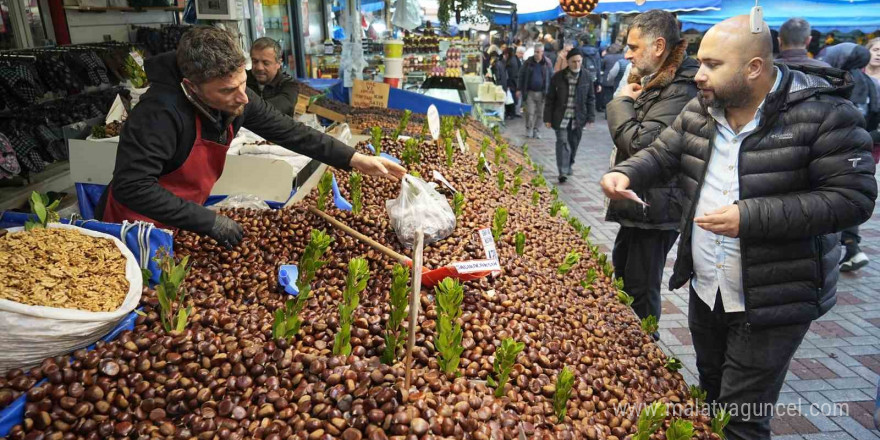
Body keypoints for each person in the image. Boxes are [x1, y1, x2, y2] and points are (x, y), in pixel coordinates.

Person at [601, 15, 876, 439]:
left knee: (741, 417)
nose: (699, 75)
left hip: (774, 296)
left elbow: (852, 200)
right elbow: (662, 153)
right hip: (708, 287)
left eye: (712, 64)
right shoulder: (703, 107)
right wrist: (628, 175)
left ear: (754, 67)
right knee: (712, 393)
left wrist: (750, 216)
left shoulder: (825, 113)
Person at [97, 27, 405, 247]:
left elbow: (289, 131)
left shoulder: (238, 97)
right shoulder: (158, 114)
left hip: (182, 218)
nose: (243, 98)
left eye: (243, 83)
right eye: (228, 91)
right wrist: (208, 221)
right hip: (139, 225)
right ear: (192, 88)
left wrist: (353, 158)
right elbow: (133, 186)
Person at [605, 10, 698, 327]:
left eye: (633, 47)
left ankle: (646, 354)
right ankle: (629, 345)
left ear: (658, 46)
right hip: (642, 203)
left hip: (657, 207)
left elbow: (640, 145)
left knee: (640, 290)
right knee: (624, 274)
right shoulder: (652, 82)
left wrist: (621, 103)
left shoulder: (682, 88)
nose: (627, 54)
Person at [820, 42, 879, 272]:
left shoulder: (833, 83)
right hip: (860, 153)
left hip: (833, 153)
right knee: (849, 198)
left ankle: (834, 251)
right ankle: (852, 248)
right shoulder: (868, 84)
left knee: (830, 200)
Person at [544, 50, 595, 183]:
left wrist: (591, 117)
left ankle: (569, 164)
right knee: (562, 142)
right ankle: (562, 171)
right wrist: (547, 118)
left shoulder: (587, 77)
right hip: (560, 116)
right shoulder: (558, 77)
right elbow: (550, 99)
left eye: (579, 61)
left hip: (578, 118)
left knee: (573, 143)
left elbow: (591, 98)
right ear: (568, 62)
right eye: (574, 61)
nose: (577, 64)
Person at [246, 37, 300, 116]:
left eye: (266, 63)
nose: (259, 67)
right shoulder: (242, 80)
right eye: (255, 61)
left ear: (278, 63)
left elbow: (281, 106)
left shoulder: (288, 84)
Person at [518, 43, 553, 139]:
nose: (537, 54)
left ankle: (536, 130)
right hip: (530, 92)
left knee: (541, 114)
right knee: (530, 112)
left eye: (539, 52)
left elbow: (551, 77)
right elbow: (521, 75)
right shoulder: (528, 63)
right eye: (536, 52)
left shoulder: (547, 63)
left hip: (543, 93)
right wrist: (519, 88)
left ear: (543, 52)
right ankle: (529, 129)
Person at [599, 43, 627, 112]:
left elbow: (602, 67)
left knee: (608, 98)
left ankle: (607, 113)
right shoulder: (622, 57)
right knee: (617, 98)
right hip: (618, 81)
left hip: (607, 81)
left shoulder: (606, 57)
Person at [504, 47, 521, 118]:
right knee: (511, 98)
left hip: (512, 82)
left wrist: (509, 84)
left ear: (507, 54)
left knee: (510, 98)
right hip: (514, 82)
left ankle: (511, 113)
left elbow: (512, 74)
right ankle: (511, 113)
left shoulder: (511, 61)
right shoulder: (514, 59)